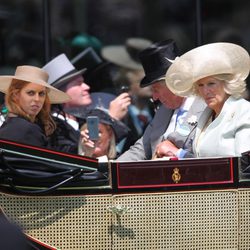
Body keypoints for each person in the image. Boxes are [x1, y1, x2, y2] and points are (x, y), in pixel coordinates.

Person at [117, 39, 206, 161]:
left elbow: (212, 159)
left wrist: (177, 153)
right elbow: (140, 149)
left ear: (174, 83)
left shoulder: (207, 108)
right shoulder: (163, 112)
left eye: (156, 89)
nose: (154, 97)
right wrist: (111, 171)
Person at [165, 42, 250, 157]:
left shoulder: (244, 111)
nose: (205, 91)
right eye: (200, 85)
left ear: (227, 84)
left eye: (211, 83)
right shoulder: (206, 115)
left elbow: (245, 165)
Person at [43, 53, 131, 154]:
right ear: (60, 92)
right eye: (78, 83)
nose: (86, 87)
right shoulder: (52, 127)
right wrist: (112, 119)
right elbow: (73, 155)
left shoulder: (85, 118)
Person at [101, 37, 155, 154]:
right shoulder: (117, 110)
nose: (152, 85)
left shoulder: (159, 110)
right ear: (129, 81)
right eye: (145, 80)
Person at [0, 65, 70, 147]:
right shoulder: (27, 129)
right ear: (16, 95)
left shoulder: (10, 124)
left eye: (41, 94)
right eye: (30, 93)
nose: (37, 99)